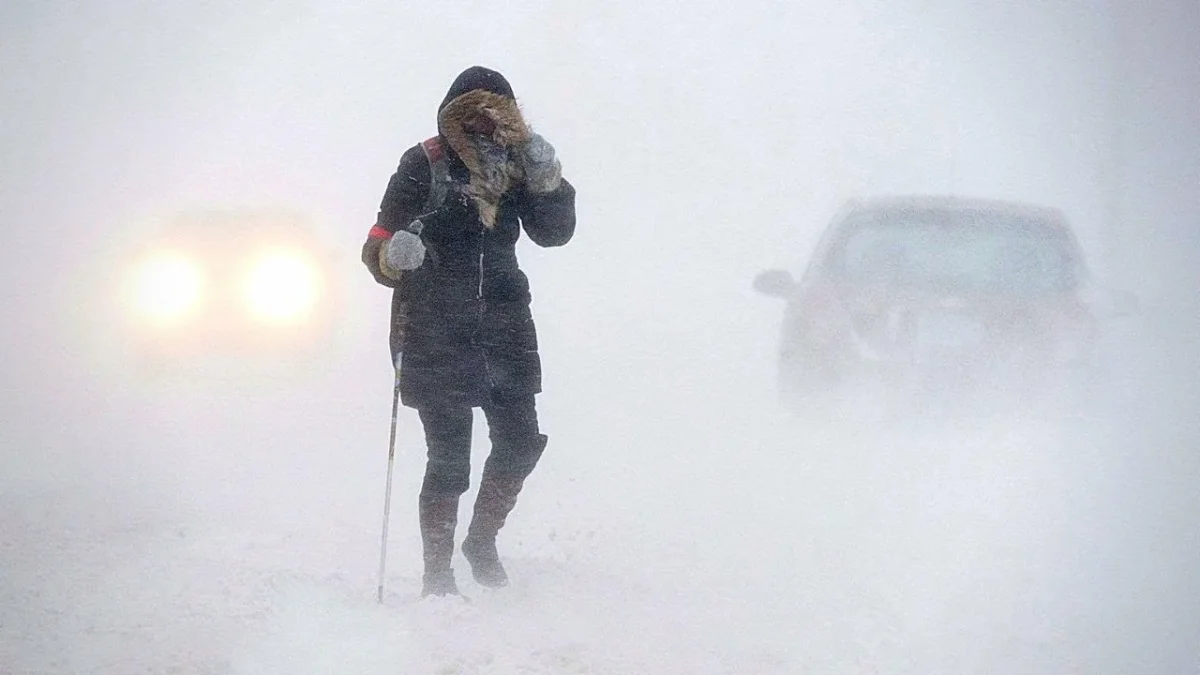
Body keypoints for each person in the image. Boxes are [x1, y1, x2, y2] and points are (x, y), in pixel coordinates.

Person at [361, 66, 576, 597]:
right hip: (436, 326)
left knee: (522, 441)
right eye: (474, 112)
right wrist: (392, 256)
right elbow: (376, 247)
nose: (485, 123)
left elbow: (554, 235)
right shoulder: (423, 163)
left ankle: (481, 540)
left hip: (505, 325)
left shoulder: (518, 165)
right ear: (455, 114)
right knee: (450, 458)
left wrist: (551, 183)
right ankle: (438, 574)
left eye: (497, 112)